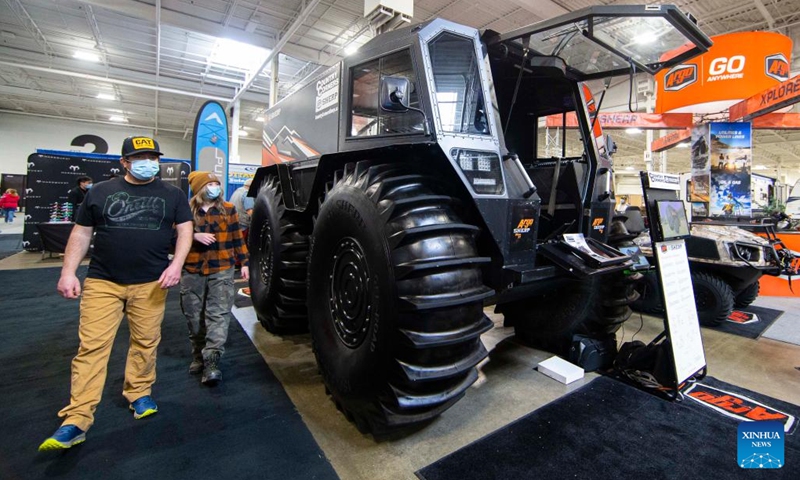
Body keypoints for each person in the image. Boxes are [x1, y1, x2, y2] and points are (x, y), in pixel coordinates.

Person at [38, 136, 193, 451]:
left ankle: (139, 393)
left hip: (151, 283)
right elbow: (81, 232)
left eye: (153, 156)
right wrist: (68, 272)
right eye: (140, 157)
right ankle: (77, 419)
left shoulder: (173, 194)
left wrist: (176, 265)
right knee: (92, 347)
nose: (148, 162)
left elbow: (185, 231)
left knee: (146, 342)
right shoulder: (100, 192)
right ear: (124, 162)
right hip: (103, 282)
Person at [182, 171, 249, 386]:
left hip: (222, 267)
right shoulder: (185, 210)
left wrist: (245, 262)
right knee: (194, 315)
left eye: (216, 183)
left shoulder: (228, 210)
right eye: (210, 184)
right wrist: (192, 236)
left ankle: (212, 361)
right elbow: (170, 236)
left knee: (218, 313)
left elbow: (237, 238)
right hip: (192, 268)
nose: (214, 187)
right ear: (200, 188)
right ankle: (198, 356)